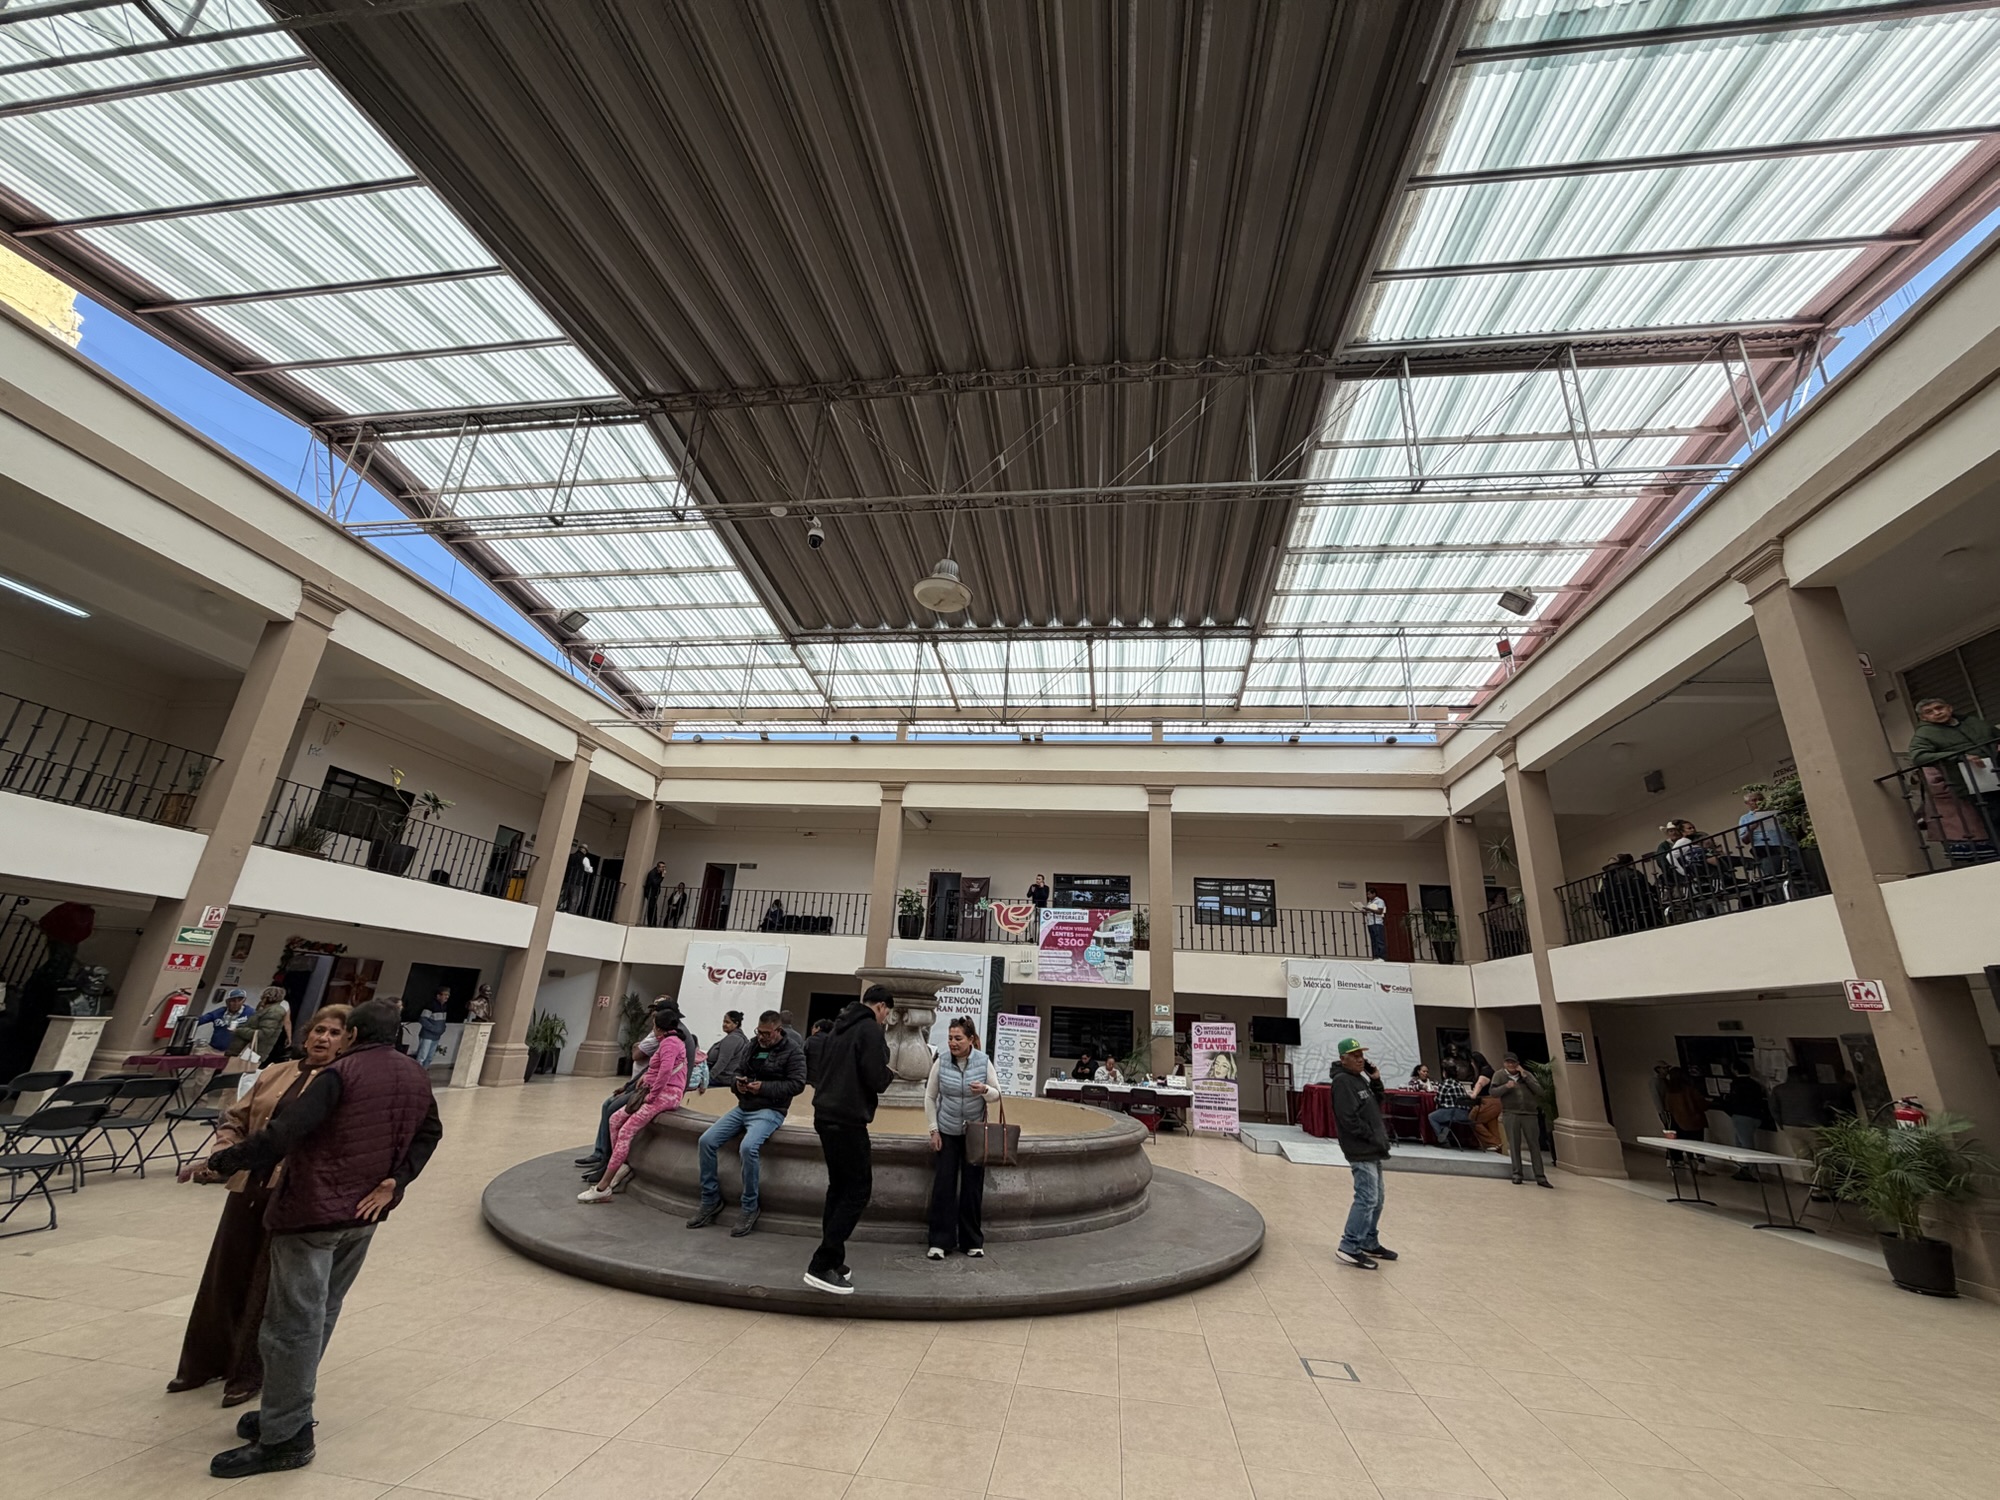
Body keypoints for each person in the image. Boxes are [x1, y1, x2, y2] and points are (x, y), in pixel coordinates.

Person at [198, 998, 441, 1478]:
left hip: (313, 1214)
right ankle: (284, 1408)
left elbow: (283, 1134)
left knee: (292, 1324)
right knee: (321, 1313)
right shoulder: (415, 1074)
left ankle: (286, 1437)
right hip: (364, 1215)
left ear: (353, 1035)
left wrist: (223, 1161)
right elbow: (431, 1131)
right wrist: (397, 1180)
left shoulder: (340, 1074)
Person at [169, 1004, 351, 1408]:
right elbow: (235, 1119)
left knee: (267, 1287)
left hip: (293, 1194)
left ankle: (249, 1373)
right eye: (318, 1030)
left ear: (347, 1042)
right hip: (248, 1185)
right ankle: (203, 1362)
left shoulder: (341, 1083)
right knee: (224, 1274)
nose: (323, 1038)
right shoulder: (275, 1072)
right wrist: (222, 1154)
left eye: (334, 1033)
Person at [804, 985, 894, 1295]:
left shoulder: (838, 1026)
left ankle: (834, 1258)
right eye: (886, 1013)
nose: (885, 1019)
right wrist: (889, 1073)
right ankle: (822, 1263)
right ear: (881, 1007)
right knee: (858, 1190)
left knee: (839, 1187)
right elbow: (875, 1077)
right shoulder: (869, 1029)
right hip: (848, 1118)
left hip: (825, 1114)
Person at [689, 1010, 806, 1237]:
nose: (761, 1037)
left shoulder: (793, 1051)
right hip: (744, 1107)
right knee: (706, 1141)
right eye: (759, 1032)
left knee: (748, 1147)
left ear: (778, 1030)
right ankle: (710, 1198)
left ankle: (749, 1206)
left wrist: (764, 1088)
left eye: (766, 1033)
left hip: (771, 1110)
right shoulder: (752, 1045)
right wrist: (738, 1084)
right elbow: (738, 1072)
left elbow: (797, 1084)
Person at [579, 1004, 689, 1202]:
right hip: (657, 1091)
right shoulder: (669, 1041)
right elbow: (659, 1069)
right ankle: (619, 1163)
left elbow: (665, 1072)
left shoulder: (670, 1043)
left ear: (658, 1027)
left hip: (665, 1094)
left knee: (626, 1131)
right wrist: (647, 1078)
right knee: (615, 1120)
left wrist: (652, 1096)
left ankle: (603, 1186)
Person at [924, 1017, 996, 1261]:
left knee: (972, 1188)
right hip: (947, 1132)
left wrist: (985, 1090)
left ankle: (972, 1241)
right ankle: (939, 1242)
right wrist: (934, 1130)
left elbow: (997, 1094)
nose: (952, 1043)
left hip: (974, 1134)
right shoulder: (941, 1061)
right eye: (950, 1038)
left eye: (958, 1038)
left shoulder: (983, 1061)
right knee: (944, 1186)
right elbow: (930, 1097)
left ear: (971, 1039)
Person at [1329, 1038, 1394, 1269]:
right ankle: (1349, 1245)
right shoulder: (1342, 1082)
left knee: (1377, 1199)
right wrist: (1371, 1135)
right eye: (1355, 1056)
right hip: (1361, 1149)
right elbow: (1348, 1119)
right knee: (1366, 1198)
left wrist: (1375, 1079)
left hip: (1373, 1148)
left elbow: (1376, 1103)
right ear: (1343, 1059)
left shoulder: (1359, 1079)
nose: (1360, 1060)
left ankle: (1368, 1240)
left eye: (1361, 1056)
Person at [1908, 697, 2000, 856]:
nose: (1937, 713)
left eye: (1939, 708)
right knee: (1995, 818)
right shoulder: (1924, 734)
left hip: (1996, 768)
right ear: (1924, 718)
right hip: (1973, 781)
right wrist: (1959, 756)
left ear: (1949, 708)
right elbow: (1919, 757)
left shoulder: (1972, 721)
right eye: (1929, 712)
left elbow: (1995, 735)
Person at [1493, 1053, 1551, 1188]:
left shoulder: (1526, 1075)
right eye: (1508, 1062)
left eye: (1513, 1062)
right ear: (1504, 1063)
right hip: (1511, 1113)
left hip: (1530, 1114)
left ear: (1517, 1063)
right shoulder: (1499, 1075)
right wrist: (1506, 1087)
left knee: (1534, 1145)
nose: (1511, 1065)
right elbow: (1493, 1092)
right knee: (1514, 1144)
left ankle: (1540, 1176)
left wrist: (1525, 1075)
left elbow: (1540, 1091)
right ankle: (1517, 1174)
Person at [1721, 1067, 1769, 1179]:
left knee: (1746, 1145)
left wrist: (1729, 1110)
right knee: (1740, 1142)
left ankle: (1752, 1172)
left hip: (1741, 1116)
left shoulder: (1736, 1084)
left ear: (1735, 1071)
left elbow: (1732, 1100)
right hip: (1755, 1116)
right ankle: (1744, 1168)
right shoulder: (1756, 1084)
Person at [1661, 1066, 1711, 1161]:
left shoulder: (1669, 1092)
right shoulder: (1689, 1089)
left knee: (1686, 1145)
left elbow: (1668, 1108)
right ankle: (1701, 1164)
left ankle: (1690, 1162)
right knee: (1699, 1145)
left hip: (1679, 1123)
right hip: (1695, 1122)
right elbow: (1702, 1104)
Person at [230, 988, 292, 1063]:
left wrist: (239, 1030)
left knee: (240, 1068)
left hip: (254, 1050)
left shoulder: (274, 1011)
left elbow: (264, 1033)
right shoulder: (268, 1007)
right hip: (250, 1048)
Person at [1466, 1051, 1503, 1152]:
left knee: (1474, 1120)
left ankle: (1494, 1142)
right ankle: (1498, 1147)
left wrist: (1473, 1094)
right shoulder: (1489, 1070)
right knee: (1491, 1125)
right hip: (1494, 1101)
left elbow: (1480, 1083)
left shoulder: (1485, 1072)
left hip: (1488, 1101)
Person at [706, 1010, 750, 1093]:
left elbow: (722, 1062)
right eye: (724, 1022)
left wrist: (707, 1079)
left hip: (722, 1079)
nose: (724, 1024)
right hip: (726, 1078)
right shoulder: (739, 1038)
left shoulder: (733, 1039)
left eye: (727, 1022)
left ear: (736, 1024)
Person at [1428, 1063, 1471, 1143]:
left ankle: (1442, 1138)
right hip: (1465, 1114)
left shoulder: (1445, 1084)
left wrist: (1435, 1098)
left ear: (1445, 1073)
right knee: (1442, 1115)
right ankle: (1445, 1129)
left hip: (1452, 1113)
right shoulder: (1459, 1084)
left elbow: (1439, 1100)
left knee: (1432, 1117)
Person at [414, 988, 449, 1068]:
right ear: (438, 996)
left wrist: (443, 1028)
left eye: (448, 995)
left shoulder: (444, 1007)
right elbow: (423, 1019)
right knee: (422, 1056)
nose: (447, 997)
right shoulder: (430, 1005)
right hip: (427, 1036)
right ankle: (417, 1072)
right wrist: (434, 1029)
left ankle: (424, 1072)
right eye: (445, 995)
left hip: (436, 1036)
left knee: (430, 1057)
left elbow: (442, 1021)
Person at [561, 844, 595, 912]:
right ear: (585, 851)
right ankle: (570, 913)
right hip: (577, 882)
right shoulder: (585, 859)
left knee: (562, 897)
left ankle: (559, 909)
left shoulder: (571, 856)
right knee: (574, 901)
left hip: (567, 880)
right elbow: (589, 870)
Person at [1354, 892, 1387, 959]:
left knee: (1379, 940)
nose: (1368, 896)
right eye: (1367, 894)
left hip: (1377, 922)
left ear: (1374, 894)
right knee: (1373, 940)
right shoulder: (1369, 903)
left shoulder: (1379, 901)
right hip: (1370, 923)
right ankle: (1375, 956)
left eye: (1369, 894)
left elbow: (1380, 911)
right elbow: (1368, 914)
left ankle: (1382, 956)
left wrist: (1368, 909)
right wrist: (1362, 910)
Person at [805, 1017, 834, 1085]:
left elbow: (803, 1057)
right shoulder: (833, 1041)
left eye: (813, 1027)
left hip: (810, 1078)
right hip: (825, 1079)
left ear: (818, 1028)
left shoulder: (810, 1040)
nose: (812, 1030)